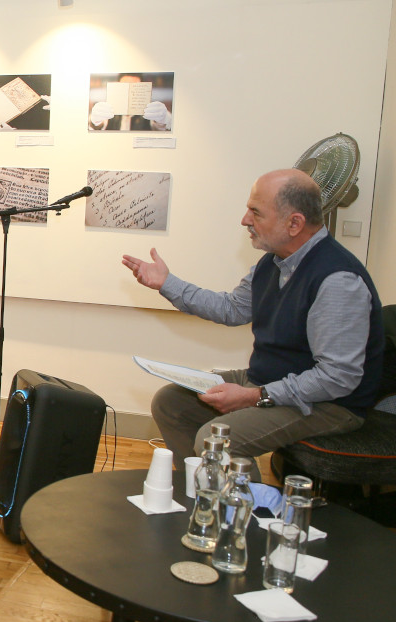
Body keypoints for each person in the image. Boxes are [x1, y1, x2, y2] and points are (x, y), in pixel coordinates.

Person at [122, 169, 383, 473]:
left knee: (214, 438)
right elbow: (232, 308)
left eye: (255, 212)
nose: (245, 220)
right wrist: (167, 283)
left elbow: (337, 377)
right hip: (271, 381)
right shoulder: (273, 262)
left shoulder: (338, 280)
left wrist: (255, 397)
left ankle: (242, 513)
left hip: (331, 404)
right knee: (171, 403)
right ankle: (201, 492)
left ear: (295, 223)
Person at [88, 74, 173, 131]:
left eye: (134, 87)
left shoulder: (150, 111)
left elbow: (162, 127)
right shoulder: (109, 109)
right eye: (124, 86)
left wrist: (163, 119)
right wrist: (95, 120)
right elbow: (96, 126)